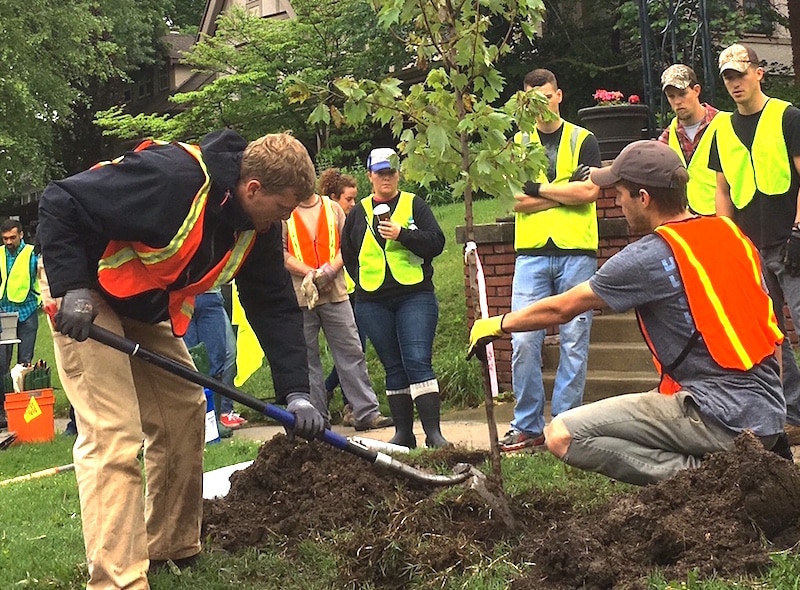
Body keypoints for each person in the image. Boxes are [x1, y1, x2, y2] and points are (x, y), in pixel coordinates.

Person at [37, 129, 326, 590]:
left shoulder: (258, 229)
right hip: (84, 295)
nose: (285, 219)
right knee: (113, 430)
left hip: (141, 303)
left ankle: (170, 546)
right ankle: (118, 580)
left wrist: (297, 393)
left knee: (184, 411)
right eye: (284, 208)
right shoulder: (172, 178)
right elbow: (61, 201)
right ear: (254, 189)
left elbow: (273, 306)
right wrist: (71, 285)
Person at [469, 140, 786, 485]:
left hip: (718, 418)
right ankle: (745, 463)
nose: (617, 202)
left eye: (620, 193)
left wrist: (500, 323)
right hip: (767, 414)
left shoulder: (649, 255)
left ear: (643, 198)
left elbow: (564, 306)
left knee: (561, 434)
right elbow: (773, 332)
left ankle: (709, 480)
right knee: (649, 405)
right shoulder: (732, 235)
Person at [503, 68, 602, 452]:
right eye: (533, 99)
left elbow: (590, 191)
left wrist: (540, 190)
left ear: (558, 95)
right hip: (530, 254)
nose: (541, 105)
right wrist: (564, 190)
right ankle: (526, 425)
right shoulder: (514, 144)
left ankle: (564, 425)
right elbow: (514, 199)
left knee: (575, 340)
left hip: (576, 251)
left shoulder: (583, 138)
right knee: (524, 340)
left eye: (547, 96)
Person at [709, 42, 800, 445]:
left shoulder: (787, 117)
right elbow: (723, 190)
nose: (734, 84)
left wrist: (799, 230)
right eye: (727, 77)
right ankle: (793, 412)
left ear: (759, 73)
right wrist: (726, 241)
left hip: (789, 240)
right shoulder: (722, 128)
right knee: (771, 335)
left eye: (740, 74)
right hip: (750, 247)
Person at [341, 147, 450, 448]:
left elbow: (436, 243)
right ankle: (404, 433)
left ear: (398, 174)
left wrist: (403, 234)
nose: (385, 178)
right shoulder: (358, 213)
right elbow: (348, 254)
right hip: (372, 300)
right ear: (370, 176)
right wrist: (363, 281)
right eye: (380, 173)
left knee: (417, 361)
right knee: (393, 366)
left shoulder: (415, 204)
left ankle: (434, 434)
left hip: (414, 295)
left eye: (390, 172)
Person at [282, 183, 393, 432]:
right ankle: (317, 420)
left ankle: (366, 412)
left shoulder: (333, 209)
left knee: (351, 352)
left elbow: (347, 245)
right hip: (302, 297)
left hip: (337, 294)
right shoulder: (285, 212)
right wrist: (309, 273)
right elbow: (283, 252)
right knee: (307, 360)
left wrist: (330, 270)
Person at [319, 168, 362, 425]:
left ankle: (336, 393)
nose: (353, 204)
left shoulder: (349, 220)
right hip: (334, 291)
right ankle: (338, 395)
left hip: (353, 290)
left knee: (355, 348)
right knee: (352, 349)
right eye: (349, 199)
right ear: (334, 198)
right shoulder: (328, 218)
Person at [657, 64, 722, 216]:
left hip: (723, 215)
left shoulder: (726, 123)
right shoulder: (669, 134)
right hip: (685, 218)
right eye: (671, 96)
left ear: (696, 90)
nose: (677, 101)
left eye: (682, 94)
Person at [183, 287, 247, 430]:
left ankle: (215, 421)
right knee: (189, 362)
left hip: (210, 296)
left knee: (215, 361)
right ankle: (193, 423)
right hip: (180, 296)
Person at [0, 219, 40, 372]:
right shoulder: (0, 253)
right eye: (5, 238)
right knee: (2, 361)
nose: (8, 241)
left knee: (25, 361)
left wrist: (40, 299)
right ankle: (4, 393)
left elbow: (42, 277)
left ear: (21, 235)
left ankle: (22, 393)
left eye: (12, 237)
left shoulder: (32, 253)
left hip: (28, 308)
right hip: (4, 310)